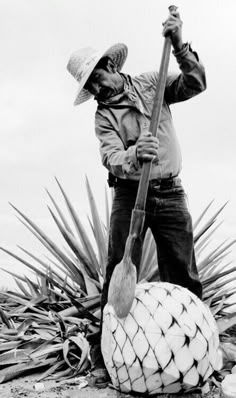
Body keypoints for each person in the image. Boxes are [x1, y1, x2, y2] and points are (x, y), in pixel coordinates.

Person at [67, 9, 206, 388]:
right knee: (117, 270)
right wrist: (133, 154)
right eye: (91, 86)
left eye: (98, 78)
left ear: (111, 65)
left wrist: (179, 46)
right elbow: (111, 158)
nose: (98, 88)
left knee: (182, 273)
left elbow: (196, 84)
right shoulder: (102, 118)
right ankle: (109, 356)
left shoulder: (151, 83)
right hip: (130, 195)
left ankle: (196, 352)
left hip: (171, 193)